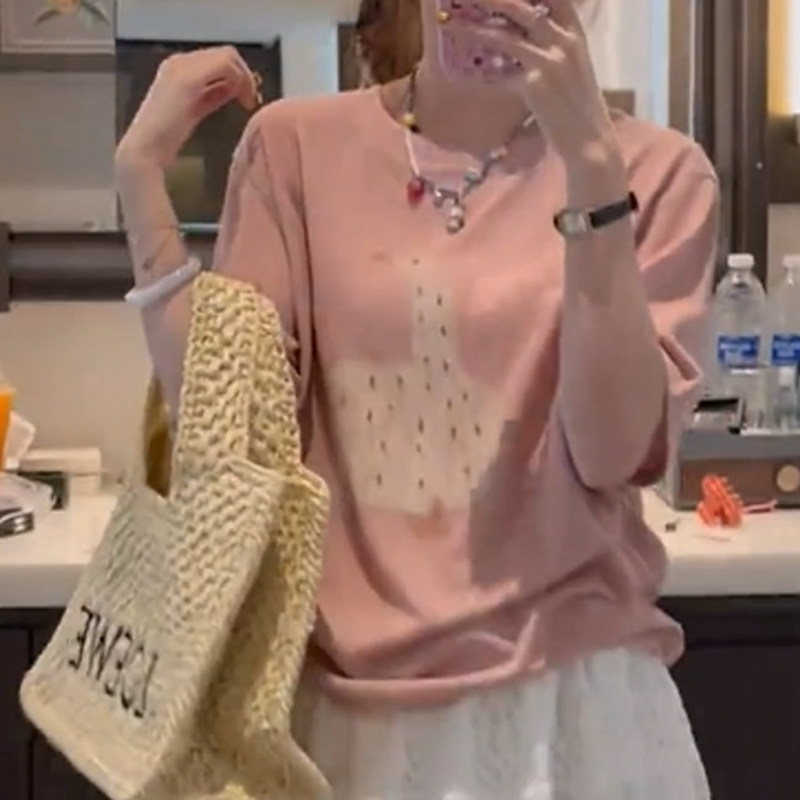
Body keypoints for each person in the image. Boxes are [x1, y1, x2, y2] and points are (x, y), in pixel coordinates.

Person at [115, 0, 719, 796]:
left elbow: (612, 454)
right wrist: (141, 184)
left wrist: (594, 176)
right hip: (345, 712)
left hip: (576, 711)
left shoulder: (660, 173)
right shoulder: (297, 148)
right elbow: (230, 441)